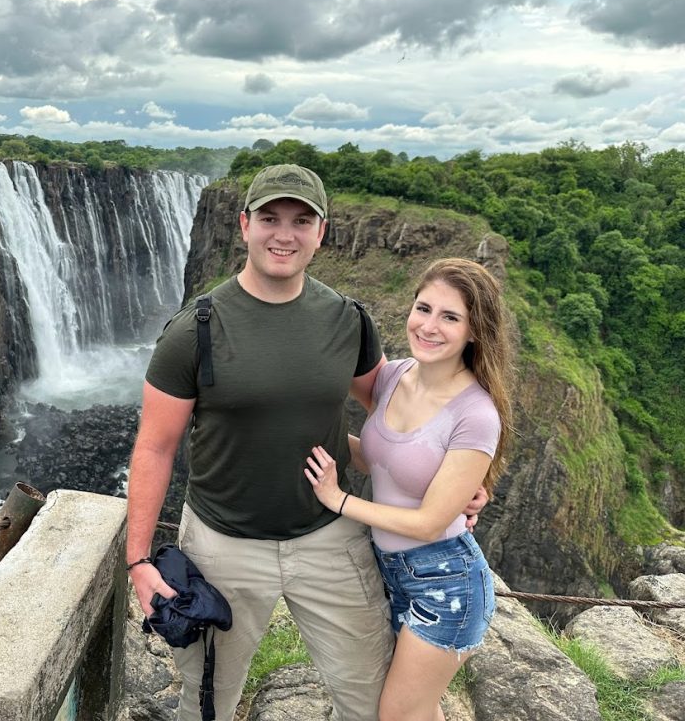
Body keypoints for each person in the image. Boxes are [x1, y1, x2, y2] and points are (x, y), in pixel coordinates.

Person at [125, 164, 485, 721]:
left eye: (301, 220)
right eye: (269, 218)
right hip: (224, 543)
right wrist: (139, 560)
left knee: (371, 702)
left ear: (322, 233)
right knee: (206, 701)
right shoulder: (192, 331)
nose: (283, 234)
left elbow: (395, 421)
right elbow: (154, 447)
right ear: (244, 225)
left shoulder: (348, 321)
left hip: (330, 539)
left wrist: (455, 482)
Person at [305, 257, 514, 721]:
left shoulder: (474, 413)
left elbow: (429, 521)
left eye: (450, 317)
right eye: (423, 308)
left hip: (446, 584)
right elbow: (381, 458)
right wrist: (314, 441)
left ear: (475, 331)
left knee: (398, 714)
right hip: (392, 571)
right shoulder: (394, 375)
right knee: (420, 710)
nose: (430, 326)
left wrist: (340, 500)